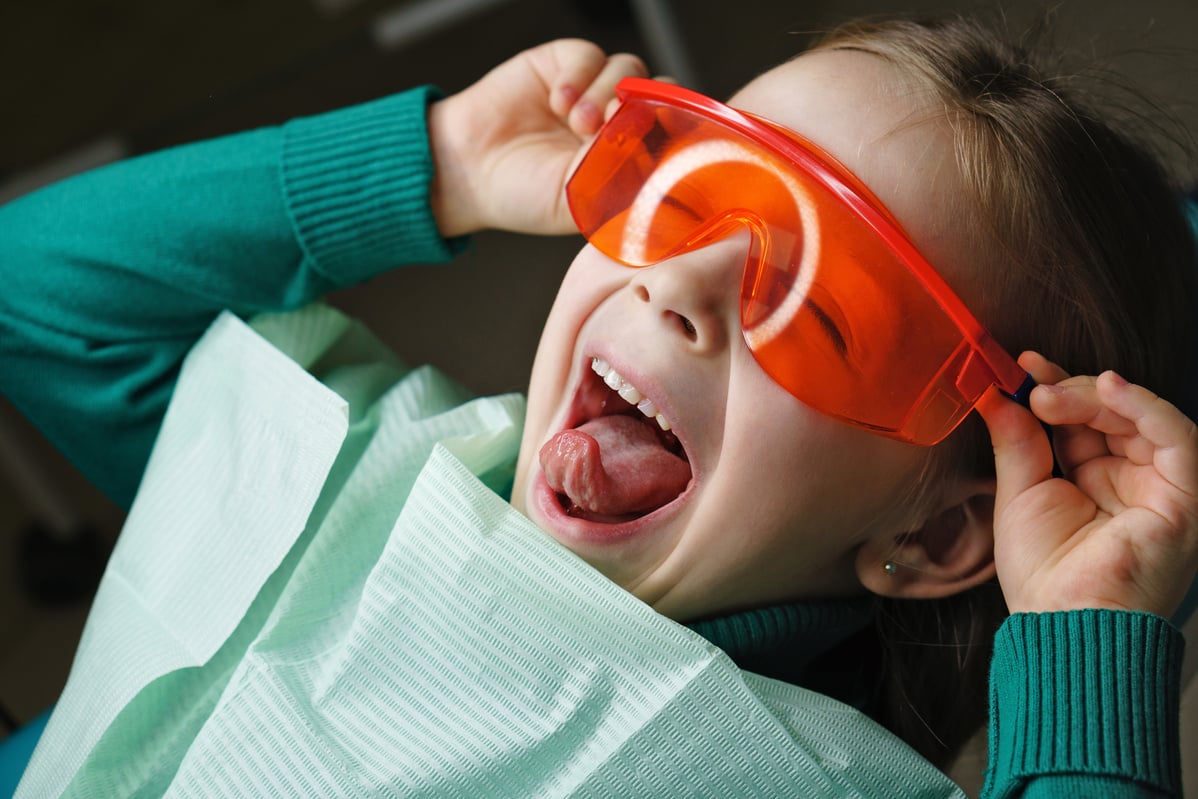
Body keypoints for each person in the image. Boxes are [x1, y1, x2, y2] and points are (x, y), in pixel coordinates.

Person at [1, 12, 1196, 798]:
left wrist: (1086, 636)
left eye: (832, 317)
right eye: (689, 191)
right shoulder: (344, 447)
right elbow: (40, 297)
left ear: (933, 535)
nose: (675, 283)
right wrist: (443, 165)